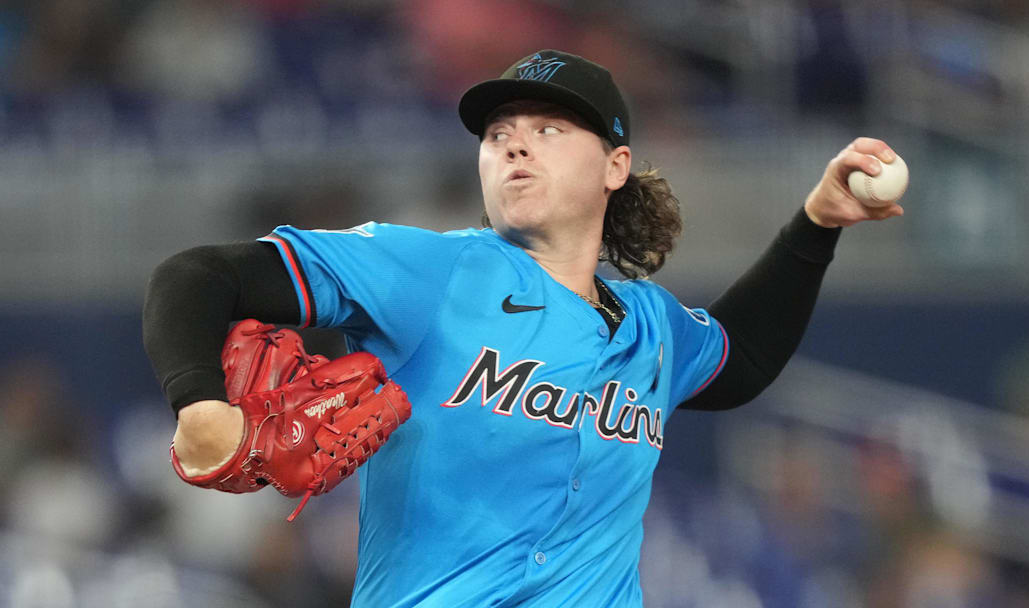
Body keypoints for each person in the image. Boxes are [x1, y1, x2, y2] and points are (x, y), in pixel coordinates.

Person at [143, 49, 903, 607]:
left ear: (615, 166)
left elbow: (741, 361)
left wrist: (817, 224)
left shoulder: (653, 327)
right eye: (499, 131)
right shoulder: (428, 271)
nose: (512, 142)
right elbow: (196, 277)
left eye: (548, 129)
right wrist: (200, 402)